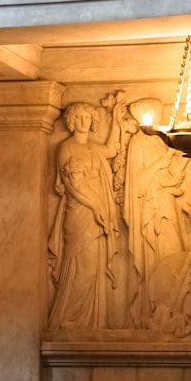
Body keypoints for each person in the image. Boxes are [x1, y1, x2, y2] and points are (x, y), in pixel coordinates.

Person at [47, 100, 124, 329]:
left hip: (98, 209)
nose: (83, 121)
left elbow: (111, 150)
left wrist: (117, 121)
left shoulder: (93, 147)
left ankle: (90, 321)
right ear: (71, 121)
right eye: (79, 117)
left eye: (88, 118)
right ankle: (70, 317)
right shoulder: (66, 148)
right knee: (83, 264)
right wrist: (95, 206)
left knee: (95, 266)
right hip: (80, 212)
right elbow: (73, 186)